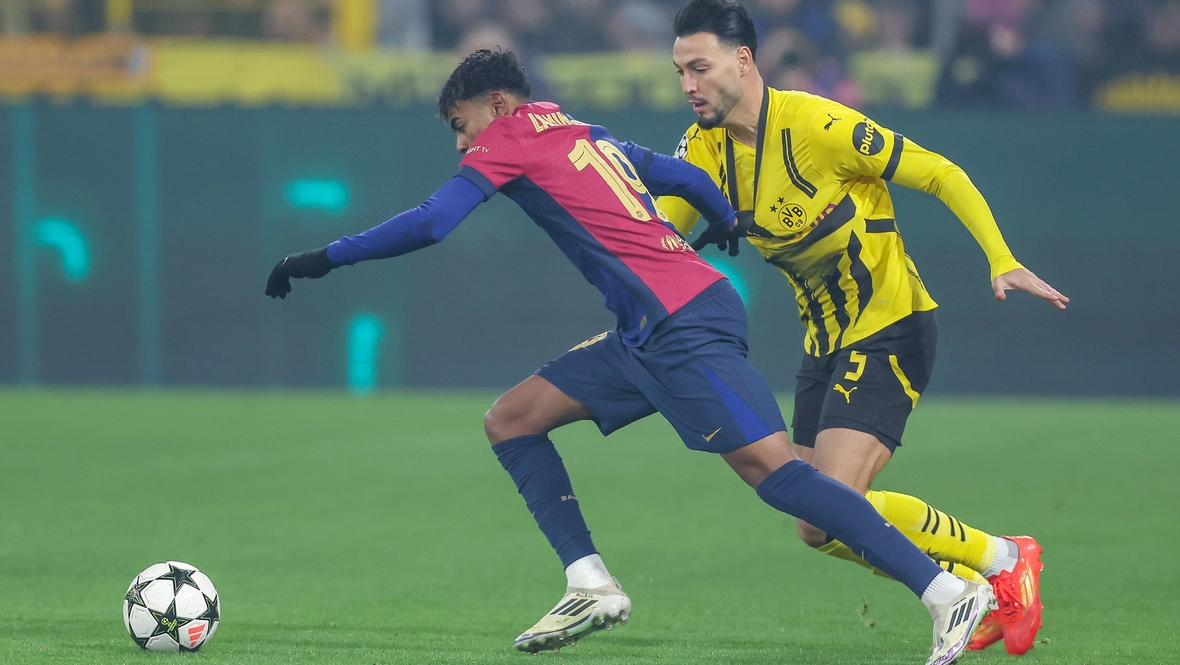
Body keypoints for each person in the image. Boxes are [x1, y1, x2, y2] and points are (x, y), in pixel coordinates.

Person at [265, 48, 991, 665]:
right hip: (649, 328)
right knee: (512, 418)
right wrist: (722, 218)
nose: (462, 145)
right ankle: (590, 584)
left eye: (461, 125)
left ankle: (949, 593)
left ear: (495, 105)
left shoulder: (508, 137)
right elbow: (681, 177)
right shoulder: (578, 130)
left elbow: (433, 223)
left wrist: (325, 257)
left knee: (778, 476)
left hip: (683, 323)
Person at [659, 0, 1067, 656]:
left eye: (699, 68)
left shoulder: (819, 126)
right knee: (813, 523)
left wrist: (1001, 257)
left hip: (889, 327)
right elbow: (654, 240)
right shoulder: (702, 151)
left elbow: (940, 173)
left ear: (743, 61)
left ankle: (994, 564)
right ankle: (986, 571)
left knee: (834, 498)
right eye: (680, 71)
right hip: (823, 346)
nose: (688, 85)